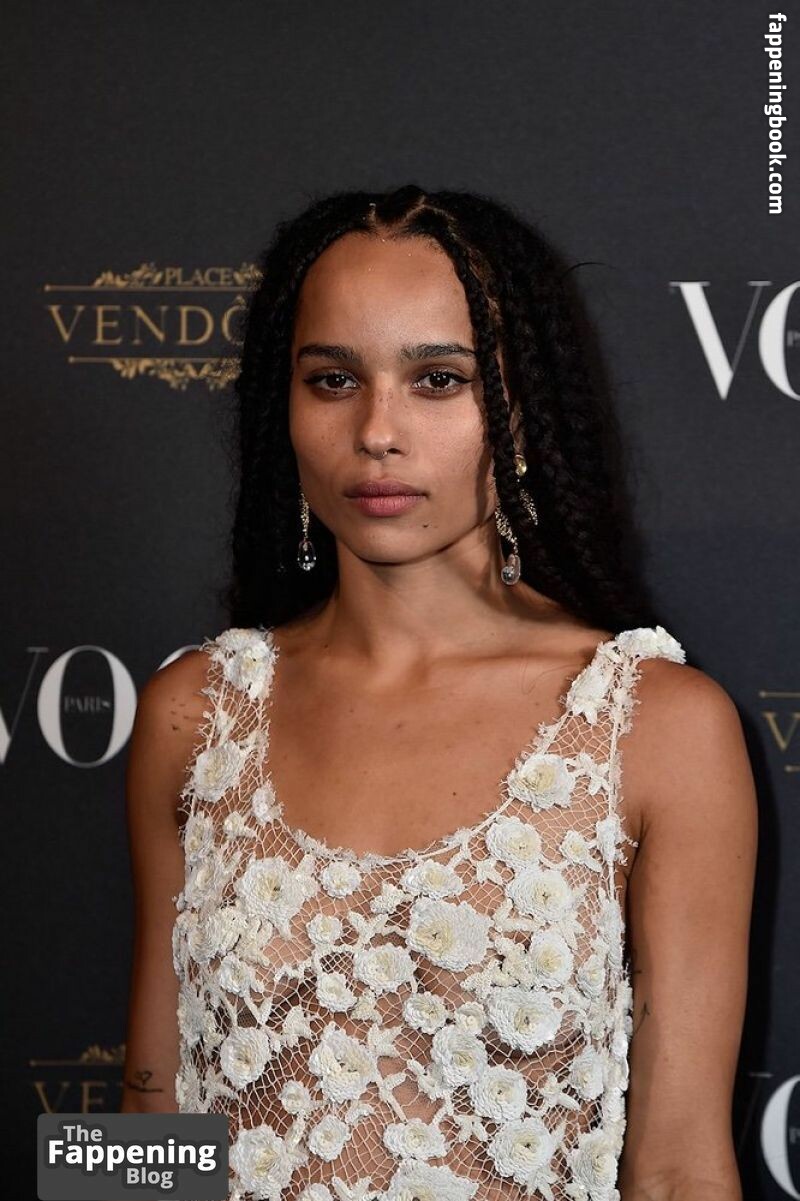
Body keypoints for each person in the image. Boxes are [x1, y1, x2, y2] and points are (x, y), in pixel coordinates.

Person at [120, 185, 757, 1201]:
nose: (377, 429)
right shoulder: (191, 713)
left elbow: (680, 1166)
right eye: (333, 379)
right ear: (283, 408)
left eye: (438, 380)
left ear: (518, 405)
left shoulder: (656, 724)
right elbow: (149, 1111)